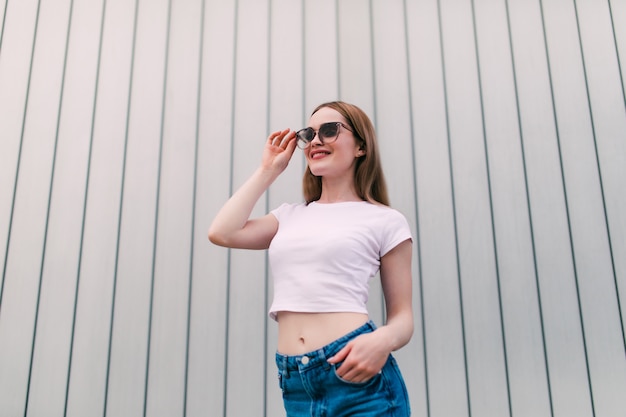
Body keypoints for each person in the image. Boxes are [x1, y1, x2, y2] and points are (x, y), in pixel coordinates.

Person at [209, 101, 413, 416]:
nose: (316, 140)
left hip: (357, 378)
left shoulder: (386, 220)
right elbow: (222, 232)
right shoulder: (289, 216)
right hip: (296, 382)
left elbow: (403, 318)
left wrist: (382, 340)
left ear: (360, 146)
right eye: (309, 133)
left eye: (329, 130)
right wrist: (269, 169)